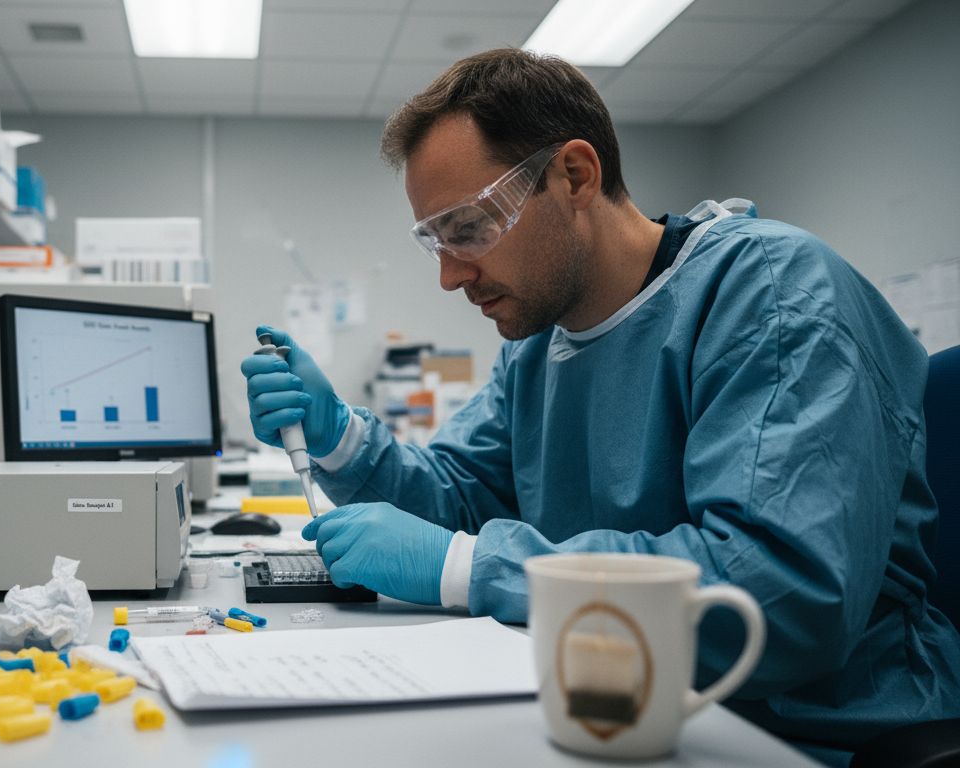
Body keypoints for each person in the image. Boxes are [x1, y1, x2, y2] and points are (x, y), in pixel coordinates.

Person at [240, 48, 960, 764]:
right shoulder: (539, 342)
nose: (451, 275)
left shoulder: (770, 296)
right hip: (609, 703)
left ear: (575, 176)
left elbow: (779, 588)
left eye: (469, 228)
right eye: (435, 241)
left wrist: (470, 567)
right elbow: (464, 501)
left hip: (805, 731)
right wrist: (340, 440)